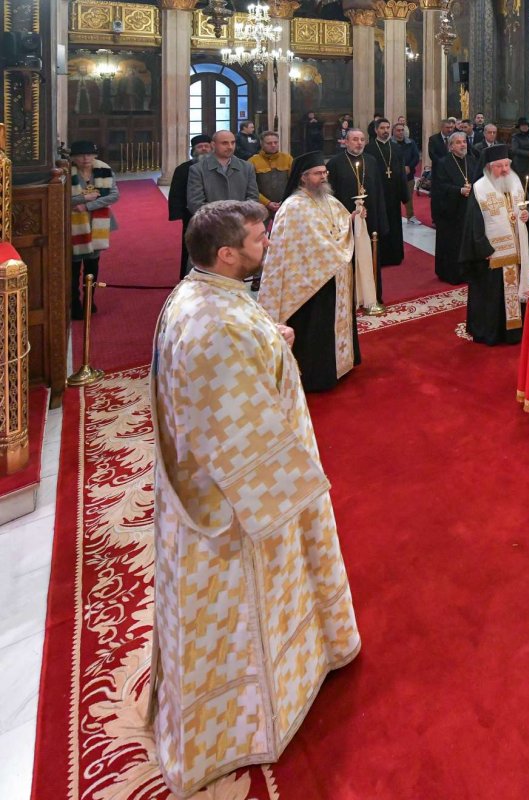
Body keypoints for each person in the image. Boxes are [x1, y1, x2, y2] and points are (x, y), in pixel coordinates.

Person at [150, 199, 360, 797]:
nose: (267, 240)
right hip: (234, 505)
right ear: (226, 254)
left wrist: (272, 336)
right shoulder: (216, 324)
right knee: (251, 596)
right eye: (257, 236)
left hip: (219, 474)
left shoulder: (203, 296)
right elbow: (238, 432)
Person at [259, 152, 363, 391]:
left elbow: (341, 222)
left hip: (334, 272)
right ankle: (317, 374)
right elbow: (305, 246)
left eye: (324, 173)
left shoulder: (328, 199)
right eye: (318, 173)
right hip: (310, 282)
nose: (324, 177)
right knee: (316, 326)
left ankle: (342, 363)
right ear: (303, 177)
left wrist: (354, 218)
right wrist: (338, 251)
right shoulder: (293, 206)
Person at [459, 144, 529, 345]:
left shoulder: (515, 182)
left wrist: (527, 215)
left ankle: (513, 333)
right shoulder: (480, 188)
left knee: (513, 293)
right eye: (500, 166)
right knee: (490, 295)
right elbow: (473, 224)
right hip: (491, 255)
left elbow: (526, 208)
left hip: (515, 251)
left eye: (507, 165)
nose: (505, 170)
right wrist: (484, 248)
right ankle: (489, 332)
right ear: (490, 167)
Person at [327, 129, 388, 301]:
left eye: (362, 139)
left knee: (371, 256)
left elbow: (379, 191)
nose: (359, 143)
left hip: (371, 218)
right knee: (350, 258)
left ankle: (372, 295)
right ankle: (351, 297)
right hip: (346, 219)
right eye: (355, 139)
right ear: (346, 142)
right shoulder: (335, 163)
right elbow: (331, 197)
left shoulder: (371, 161)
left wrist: (381, 220)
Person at [68, 140, 120, 320]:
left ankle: (90, 300)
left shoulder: (104, 170)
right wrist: (85, 197)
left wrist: (88, 205)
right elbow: (61, 199)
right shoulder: (66, 172)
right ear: (74, 158)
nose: (86, 158)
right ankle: (74, 302)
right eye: (81, 155)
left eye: (89, 154)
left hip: (98, 223)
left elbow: (114, 195)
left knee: (92, 266)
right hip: (73, 226)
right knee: (74, 267)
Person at [431, 132, 481, 283]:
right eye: (458, 142)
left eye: (464, 142)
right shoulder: (443, 163)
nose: (463, 145)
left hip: (469, 209)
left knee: (468, 241)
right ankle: (451, 274)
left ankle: (468, 271)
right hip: (451, 211)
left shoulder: (472, 160)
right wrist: (458, 190)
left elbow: (479, 180)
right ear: (451, 146)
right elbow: (440, 187)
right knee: (452, 244)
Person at [168, 133, 211, 279]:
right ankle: (186, 278)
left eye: (207, 146)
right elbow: (176, 192)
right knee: (190, 247)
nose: (204, 149)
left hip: (215, 214)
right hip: (191, 214)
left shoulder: (216, 167)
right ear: (194, 150)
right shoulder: (183, 169)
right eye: (200, 147)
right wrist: (177, 213)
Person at [187, 130, 259, 214]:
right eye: (225, 143)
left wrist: (239, 216)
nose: (230, 147)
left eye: (233, 143)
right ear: (213, 145)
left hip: (240, 222)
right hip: (211, 222)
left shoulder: (247, 167)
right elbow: (196, 203)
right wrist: (222, 218)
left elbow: (253, 198)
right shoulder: (198, 169)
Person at [366, 118, 406, 267]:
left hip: (394, 193)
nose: (385, 131)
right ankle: (380, 256)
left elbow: (401, 171)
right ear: (376, 130)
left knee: (395, 223)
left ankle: (395, 255)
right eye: (382, 128)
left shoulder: (396, 148)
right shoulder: (369, 149)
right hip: (378, 194)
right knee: (380, 223)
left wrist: (404, 194)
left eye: (387, 128)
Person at [248, 130, 294, 216]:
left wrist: (285, 200)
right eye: (269, 143)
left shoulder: (287, 158)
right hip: (261, 207)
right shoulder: (252, 161)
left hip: (285, 206)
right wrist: (267, 203)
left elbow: (294, 182)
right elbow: (250, 188)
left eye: (275, 142)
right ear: (262, 144)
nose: (273, 145)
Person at [393, 122, 422, 224]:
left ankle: (411, 216)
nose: (401, 132)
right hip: (394, 176)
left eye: (402, 130)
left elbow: (416, 157)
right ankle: (394, 217)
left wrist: (409, 166)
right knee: (394, 198)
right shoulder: (390, 144)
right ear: (393, 132)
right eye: (398, 130)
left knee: (409, 197)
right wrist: (401, 168)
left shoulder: (411, 142)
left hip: (409, 174)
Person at [509, 117, 529, 195]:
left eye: (526, 125)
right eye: (522, 125)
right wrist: (528, 153)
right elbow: (515, 150)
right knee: (521, 185)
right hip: (520, 164)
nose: (524, 127)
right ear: (519, 127)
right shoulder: (516, 136)